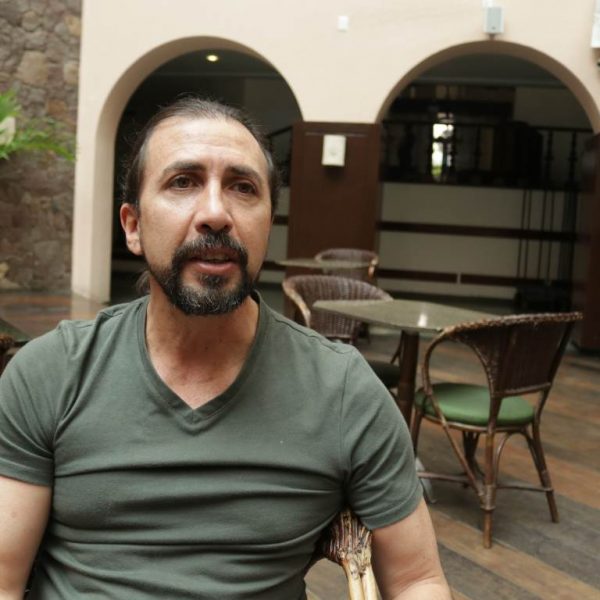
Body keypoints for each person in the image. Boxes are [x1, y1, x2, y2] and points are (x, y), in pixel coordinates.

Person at [0, 96, 451, 599]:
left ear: (268, 225)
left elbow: (418, 580)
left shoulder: (344, 391)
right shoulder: (51, 373)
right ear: (133, 226)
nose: (215, 213)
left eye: (242, 187)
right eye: (183, 182)